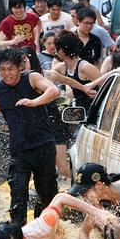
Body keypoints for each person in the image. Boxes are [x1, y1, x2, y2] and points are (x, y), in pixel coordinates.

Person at [0, 48, 60, 225]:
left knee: (47, 193)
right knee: (17, 194)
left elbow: (53, 91)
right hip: (19, 150)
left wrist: (34, 102)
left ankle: (45, 227)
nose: (6, 73)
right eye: (2, 69)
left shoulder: (31, 78)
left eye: (10, 68)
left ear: (20, 68)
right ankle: (19, 234)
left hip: (43, 146)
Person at [21, 47, 79, 179]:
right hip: (34, 128)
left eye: (25, 61)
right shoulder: (19, 80)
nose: (22, 65)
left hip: (53, 124)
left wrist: (85, 88)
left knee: (63, 168)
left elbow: (68, 80)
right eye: (20, 62)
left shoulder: (46, 75)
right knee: (36, 169)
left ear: (32, 60)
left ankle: (80, 187)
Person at [52, 30, 101, 109]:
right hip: (77, 111)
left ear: (61, 51)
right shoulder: (62, 67)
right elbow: (49, 76)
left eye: (56, 49)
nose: (55, 52)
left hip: (93, 110)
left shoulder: (85, 67)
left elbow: (106, 86)